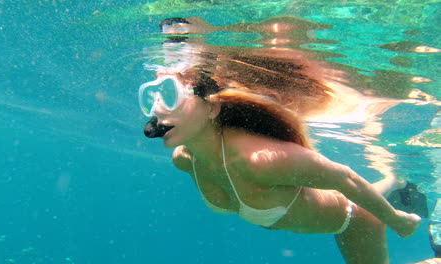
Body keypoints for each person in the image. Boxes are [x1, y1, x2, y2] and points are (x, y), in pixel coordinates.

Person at [139, 19, 422, 264]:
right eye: (152, 95)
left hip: (355, 221)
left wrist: (398, 221)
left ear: (212, 107)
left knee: (358, 202)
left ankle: (395, 185)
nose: (157, 110)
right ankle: (394, 179)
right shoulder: (185, 160)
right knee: (370, 189)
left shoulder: (258, 160)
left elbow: (345, 179)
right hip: (319, 209)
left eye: (170, 93)